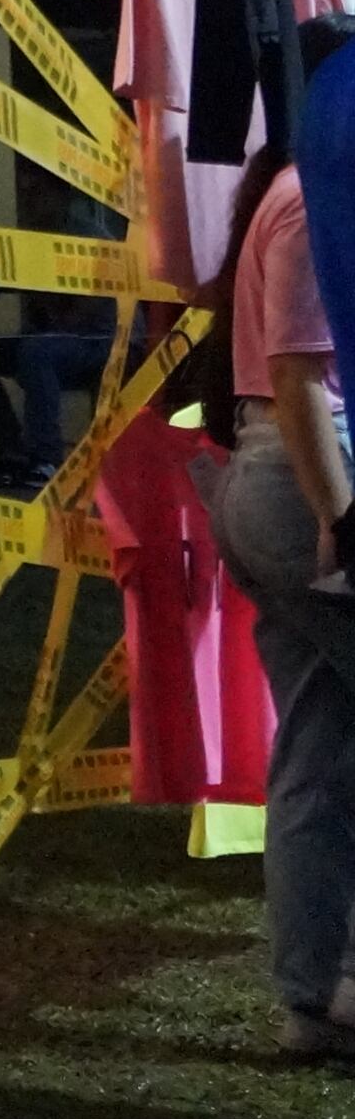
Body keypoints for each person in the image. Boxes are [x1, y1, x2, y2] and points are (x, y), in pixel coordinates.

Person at [212, 133, 355, 1058]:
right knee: (317, 751)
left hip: (277, 478)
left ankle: (313, 1004)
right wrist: (340, 519)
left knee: (317, 747)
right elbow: (302, 376)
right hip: (305, 482)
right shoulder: (312, 201)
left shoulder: (291, 193)